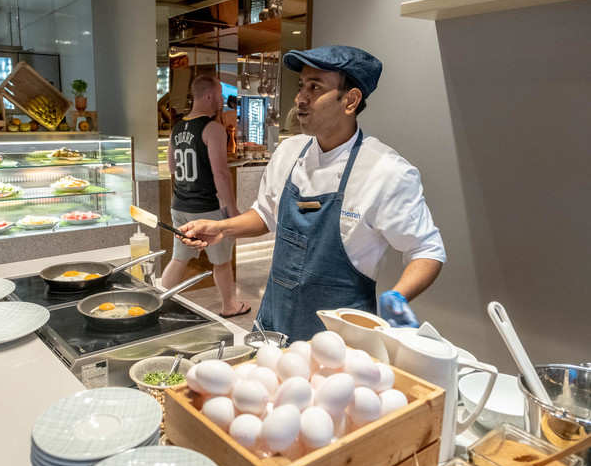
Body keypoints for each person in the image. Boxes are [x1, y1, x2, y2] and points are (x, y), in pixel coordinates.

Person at [178, 46, 446, 340]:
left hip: (343, 343)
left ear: (351, 100)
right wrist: (221, 228)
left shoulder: (386, 172)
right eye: (301, 86)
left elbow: (427, 249)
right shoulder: (289, 153)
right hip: (274, 326)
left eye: (315, 87)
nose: (300, 98)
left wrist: (398, 296)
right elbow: (266, 214)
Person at [161, 74, 250, 318]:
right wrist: (232, 212)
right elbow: (221, 174)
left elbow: (171, 167)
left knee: (179, 257)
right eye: (220, 95)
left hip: (179, 205)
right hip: (207, 208)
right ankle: (230, 306)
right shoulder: (213, 129)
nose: (222, 100)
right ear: (210, 96)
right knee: (221, 261)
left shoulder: (177, 128)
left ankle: (155, 301)